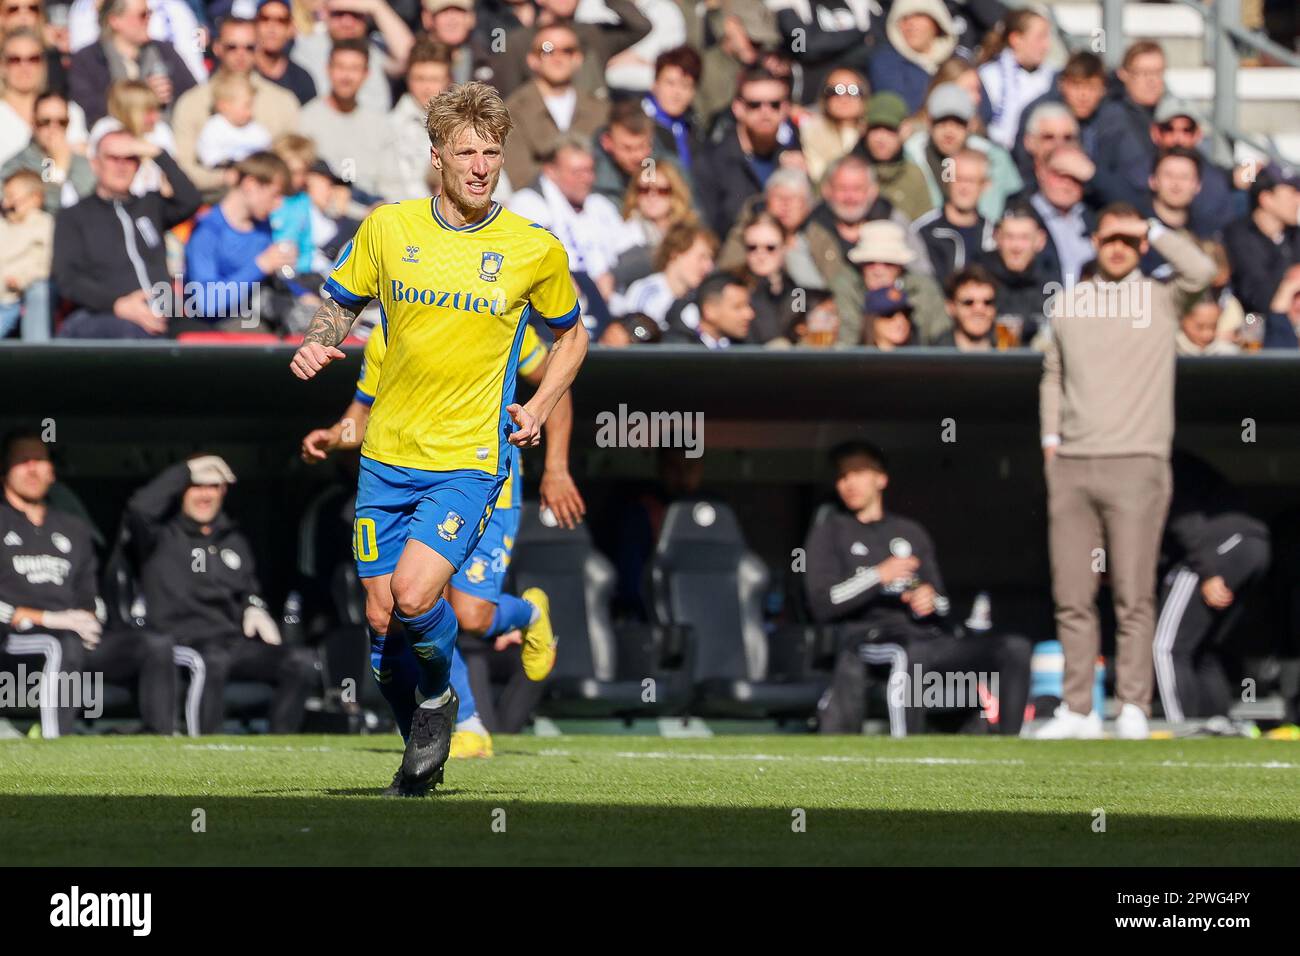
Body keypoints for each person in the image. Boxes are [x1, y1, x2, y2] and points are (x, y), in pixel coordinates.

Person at [289, 81, 589, 796]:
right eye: (466, 152)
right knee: (381, 624)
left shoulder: (530, 247)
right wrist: (317, 343)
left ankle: (440, 704)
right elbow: (340, 302)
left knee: (422, 596)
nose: (481, 166)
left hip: (467, 461)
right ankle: (418, 744)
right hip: (388, 459)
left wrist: (542, 407)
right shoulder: (389, 229)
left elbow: (572, 336)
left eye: (491, 152)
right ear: (437, 157)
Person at [300, 316, 582, 756]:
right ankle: (465, 722)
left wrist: (557, 467)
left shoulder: (498, 310)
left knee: (472, 615)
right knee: (417, 603)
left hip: (487, 479)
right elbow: (361, 414)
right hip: (417, 484)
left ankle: (528, 615)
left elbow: (556, 382)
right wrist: (334, 438)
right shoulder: (387, 334)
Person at [1036, 203, 1217, 740]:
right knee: (1071, 593)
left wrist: (1152, 228)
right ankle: (1077, 708)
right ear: (1093, 242)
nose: (1117, 247)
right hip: (1071, 463)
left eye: (1127, 239)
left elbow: (1202, 271)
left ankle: (1132, 703)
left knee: (1133, 593)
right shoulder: (1069, 302)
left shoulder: (1161, 297)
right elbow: (1052, 372)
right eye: (1108, 238)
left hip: (1138, 462)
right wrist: (1050, 444)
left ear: (1139, 244)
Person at [804, 440, 1031, 736]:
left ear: (881, 478)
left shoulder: (910, 532)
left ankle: (1011, 745)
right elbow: (821, 602)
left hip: (926, 636)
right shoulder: (830, 532)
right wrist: (878, 575)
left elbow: (942, 602)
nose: (849, 482)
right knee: (908, 654)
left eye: (858, 472)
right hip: (869, 639)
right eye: (842, 476)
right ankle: (906, 751)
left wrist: (928, 599)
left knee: (1014, 648)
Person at [1, 430, 177, 737]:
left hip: (73, 638)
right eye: (22, 460)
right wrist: (46, 618)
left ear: (52, 471)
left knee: (155, 644)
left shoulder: (73, 527)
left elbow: (89, 593)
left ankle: (159, 741)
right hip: (15, 639)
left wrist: (91, 620)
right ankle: (57, 744)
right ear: (5, 469)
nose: (32, 468)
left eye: (39, 460)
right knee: (61, 642)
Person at [125, 455, 317, 735]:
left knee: (301, 661)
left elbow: (249, 589)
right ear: (182, 490)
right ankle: (205, 747)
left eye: (213, 487)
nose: (205, 495)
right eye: (197, 486)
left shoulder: (234, 540)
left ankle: (280, 744)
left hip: (230, 642)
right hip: (180, 641)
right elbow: (138, 508)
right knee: (212, 661)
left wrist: (254, 607)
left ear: (223, 491)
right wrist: (186, 470)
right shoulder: (160, 536)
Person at [1156, 452, 1270, 729]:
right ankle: (1215, 726)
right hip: (1254, 547)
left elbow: (1184, 519)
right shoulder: (1183, 463)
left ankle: (1180, 727)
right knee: (1204, 650)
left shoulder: (1163, 464)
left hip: (1220, 548)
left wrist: (1207, 571)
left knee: (1166, 647)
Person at [52, 127, 201, 338]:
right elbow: (68, 280)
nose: (121, 166)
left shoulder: (150, 205)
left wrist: (157, 153)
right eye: (113, 158)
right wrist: (118, 304)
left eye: (130, 158)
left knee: (210, 346)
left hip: (164, 315)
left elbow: (191, 199)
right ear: (95, 164)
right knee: (135, 335)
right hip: (102, 314)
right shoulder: (74, 216)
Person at [171, 15, 300, 199]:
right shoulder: (192, 102)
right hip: (211, 204)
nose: (241, 54)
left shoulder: (283, 102)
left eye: (249, 47)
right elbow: (182, 168)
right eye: (232, 47)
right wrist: (223, 177)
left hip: (270, 207)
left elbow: (293, 164)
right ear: (217, 48)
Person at [184, 151, 298, 329]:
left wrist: (302, 292)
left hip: (258, 315)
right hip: (215, 331)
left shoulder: (262, 226)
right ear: (250, 184)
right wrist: (261, 265)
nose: (279, 204)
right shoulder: (207, 230)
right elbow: (205, 303)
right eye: (275, 195)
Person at [507, 135, 625, 305]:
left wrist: (613, 275)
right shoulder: (527, 203)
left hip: (609, 301)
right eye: (577, 172)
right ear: (550, 171)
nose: (587, 179)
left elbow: (631, 250)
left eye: (590, 170)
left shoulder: (600, 205)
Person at [692, 66, 800, 239]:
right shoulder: (710, 162)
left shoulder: (794, 159)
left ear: (785, 108)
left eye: (774, 104)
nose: (765, 112)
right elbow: (705, 230)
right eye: (754, 105)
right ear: (738, 108)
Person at [501, 23, 608, 191]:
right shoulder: (513, 110)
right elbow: (519, 172)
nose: (558, 58)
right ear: (532, 60)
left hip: (593, 200)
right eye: (547, 50)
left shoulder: (600, 110)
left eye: (567, 50)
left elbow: (606, 166)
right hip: (537, 203)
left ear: (578, 58)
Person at [903, 81, 1023, 222]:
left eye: (958, 123)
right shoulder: (910, 157)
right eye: (942, 122)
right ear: (929, 123)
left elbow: (1014, 204)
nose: (949, 131)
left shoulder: (994, 159)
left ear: (970, 125)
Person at [68, 0, 196, 128]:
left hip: (166, 133)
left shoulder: (164, 51)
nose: (148, 19)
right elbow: (87, 108)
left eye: (149, 13)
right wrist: (143, 95)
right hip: (114, 137)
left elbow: (193, 94)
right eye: (142, 15)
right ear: (115, 20)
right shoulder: (88, 59)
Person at [490, 0, 650, 100]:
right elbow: (508, 99)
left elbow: (640, 27)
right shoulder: (518, 42)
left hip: (589, 129)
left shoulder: (593, 35)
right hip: (538, 137)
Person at [299, 38, 389, 200]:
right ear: (328, 69)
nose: (346, 76)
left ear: (366, 74)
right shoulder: (306, 121)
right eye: (340, 67)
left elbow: (390, 182)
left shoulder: (379, 125)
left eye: (354, 68)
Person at [289, 0, 414, 113]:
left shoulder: (375, 47)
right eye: (339, 14)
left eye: (356, 15)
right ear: (325, 14)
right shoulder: (306, 46)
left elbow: (410, 57)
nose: (347, 22)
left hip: (373, 131)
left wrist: (378, 7)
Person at [838, 219, 947, 345]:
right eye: (870, 263)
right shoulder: (847, 288)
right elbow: (846, 343)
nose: (878, 271)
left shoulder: (923, 290)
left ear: (900, 267)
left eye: (888, 264)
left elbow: (942, 337)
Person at [380, 38, 453, 202]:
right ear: (408, 79)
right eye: (420, 79)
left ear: (448, 80)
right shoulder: (389, 126)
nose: (427, 87)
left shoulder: (463, 125)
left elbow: (500, 190)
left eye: (434, 79)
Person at [1222, 165, 1300, 317]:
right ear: (1266, 199)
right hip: (1253, 328)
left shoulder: (1295, 234)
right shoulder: (1238, 236)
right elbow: (1258, 296)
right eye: (1292, 193)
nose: (1298, 200)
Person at [609, 220, 715, 330]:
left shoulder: (700, 298)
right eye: (702, 257)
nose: (709, 266)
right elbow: (636, 335)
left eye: (711, 259)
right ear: (676, 253)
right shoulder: (646, 293)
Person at [1012, 49, 1106, 173]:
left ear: (1103, 90)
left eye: (1091, 87)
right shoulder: (1038, 113)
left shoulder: (1111, 118)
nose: (1083, 95)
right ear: (1062, 84)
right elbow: (1023, 164)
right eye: (1076, 86)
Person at [0, 91, 94, 213]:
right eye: (45, 122)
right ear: (33, 123)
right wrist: (58, 169)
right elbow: (48, 209)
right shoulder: (17, 166)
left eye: (61, 122)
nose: (53, 129)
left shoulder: (82, 163)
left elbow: (89, 203)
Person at [910, 147, 994, 282]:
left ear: (985, 185)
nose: (964, 188)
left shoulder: (993, 236)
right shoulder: (922, 231)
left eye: (971, 180)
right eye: (959, 179)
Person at [975, 7, 1054, 151]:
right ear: (1016, 39)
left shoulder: (1053, 77)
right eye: (1040, 37)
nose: (1047, 46)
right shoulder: (988, 76)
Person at [852, 90, 933, 222]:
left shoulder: (913, 175)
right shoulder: (844, 172)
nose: (881, 138)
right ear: (863, 129)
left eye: (890, 129)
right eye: (875, 128)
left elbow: (924, 226)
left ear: (905, 130)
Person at [867, 0, 960, 115]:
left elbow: (982, 110)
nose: (911, 24)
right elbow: (902, 108)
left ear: (937, 20)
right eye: (904, 18)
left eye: (919, 15)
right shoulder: (885, 63)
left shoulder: (957, 61)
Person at [979, 199, 1049, 328]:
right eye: (1009, 237)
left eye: (1024, 238)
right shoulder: (977, 280)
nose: (1016, 247)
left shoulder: (1051, 282)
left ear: (1040, 240)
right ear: (997, 237)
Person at [0, 168, 52, 340]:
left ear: (35, 198)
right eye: (4, 197)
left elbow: (44, 264)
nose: (6, 203)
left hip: (11, 299)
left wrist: (21, 279)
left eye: (12, 198)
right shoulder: (3, 223)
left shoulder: (43, 225)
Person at [799, 67, 868, 185]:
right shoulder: (810, 131)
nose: (844, 98)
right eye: (835, 91)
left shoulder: (873, 133)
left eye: (853, 91)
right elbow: (818, 175)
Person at [642, 44, 702, 179]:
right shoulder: (640, 125)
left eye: (685, 86)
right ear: (655, 84)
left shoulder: (694, 128)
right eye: (670, 83)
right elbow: (647, 178)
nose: (676, 93)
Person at [194, 72, 272, 170]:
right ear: (224, 106)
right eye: (247, 106)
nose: (250, 112)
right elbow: (208, 158)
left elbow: (267, 154)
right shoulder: (214, 129)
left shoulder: (256, 130)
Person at [660, 269, 754, 347]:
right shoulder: (676, 349)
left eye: (748, 305)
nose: (749, 314)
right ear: (710, 310)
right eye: (738, 307)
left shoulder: (747, 344)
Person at [254, 0, 317, 104]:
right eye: (265, 19)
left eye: (281, 21)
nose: (272, 28)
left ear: (291, 28)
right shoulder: (241, 72)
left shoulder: (303, 81)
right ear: (254, 24)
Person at [935, 264, 998, 350]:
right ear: (950, 307)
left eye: (987, 302)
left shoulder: (1008, 351)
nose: (979, 309)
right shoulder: (934, 355)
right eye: (968, 302)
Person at [861, 285, 915, 350]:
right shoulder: (853, 359)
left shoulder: (923, 358)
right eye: (889, 314)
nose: (901, 321)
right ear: (871, 320)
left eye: (906, 313)